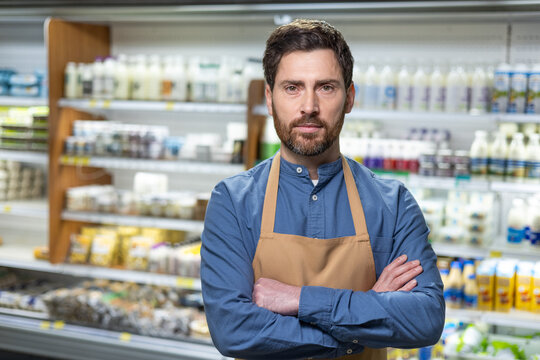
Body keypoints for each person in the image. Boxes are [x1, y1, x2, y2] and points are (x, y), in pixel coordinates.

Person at [201, 19, 444, 360]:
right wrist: (362, 323)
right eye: (292, 87)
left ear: (350, 97)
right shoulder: (234, 201)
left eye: (326, 87)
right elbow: (233, 330)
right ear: (270, 99)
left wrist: (299, 300)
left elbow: (425, 319)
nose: (309, 106)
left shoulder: (393, 204)